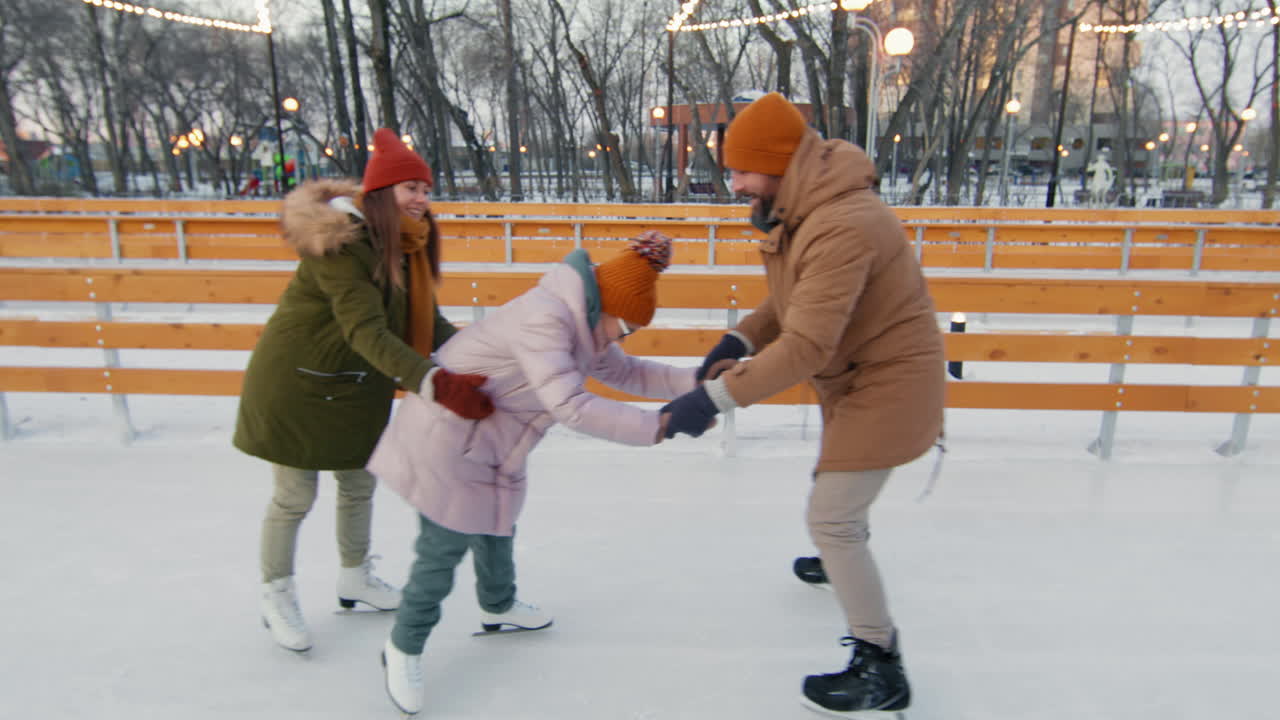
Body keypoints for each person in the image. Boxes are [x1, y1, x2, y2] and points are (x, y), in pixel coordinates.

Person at [660, 92, 945, 717]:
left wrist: (709, 402)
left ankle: (880, 664)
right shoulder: (805, 209)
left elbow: (807, 344)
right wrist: (738, 338)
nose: (733, 185)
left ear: (778, 163)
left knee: (834, 515)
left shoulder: (843, 223)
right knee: (834, 492)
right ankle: (838, 555)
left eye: (740, 171)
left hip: (890, 381)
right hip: (858, 374)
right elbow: (792, 305)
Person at [368, 232, 695, 715]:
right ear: (604, 302)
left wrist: (699, 378)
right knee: (444, 548)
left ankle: (497, 605)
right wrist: (658, 427)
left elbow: (627, 374)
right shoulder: (546, 318)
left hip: (492, 440)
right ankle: (403, 646)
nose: (621, 336)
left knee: (497, 522)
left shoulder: (586, 322)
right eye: (624, 324)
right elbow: (569, 405)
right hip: (445, 435)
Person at [233, 128, 494, 653]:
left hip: (356, 384)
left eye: (426, 187)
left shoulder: (406, 246)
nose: (422, 198)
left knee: (357, 484)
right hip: (298, 385)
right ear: (379, 195)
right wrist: (435, 383)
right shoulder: (342, 246)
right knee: (295, 494)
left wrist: (485, 353)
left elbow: (427, 322)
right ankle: (276, 591)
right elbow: (368, 331)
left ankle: (355, 577)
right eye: (410, 188)